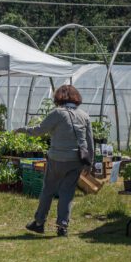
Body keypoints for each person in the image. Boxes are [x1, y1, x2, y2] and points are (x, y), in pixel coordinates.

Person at [16, 84, 93, 237]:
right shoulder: (84, 115)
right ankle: (62, 226)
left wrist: (21, 130)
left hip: (57, 158)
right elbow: (90, 142)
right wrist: (89, 163)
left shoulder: (57, 113)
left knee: (48, 190)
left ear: (59, 97)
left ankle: (39, 223)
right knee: (67, 193)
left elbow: (39, 130)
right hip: (76, 160)